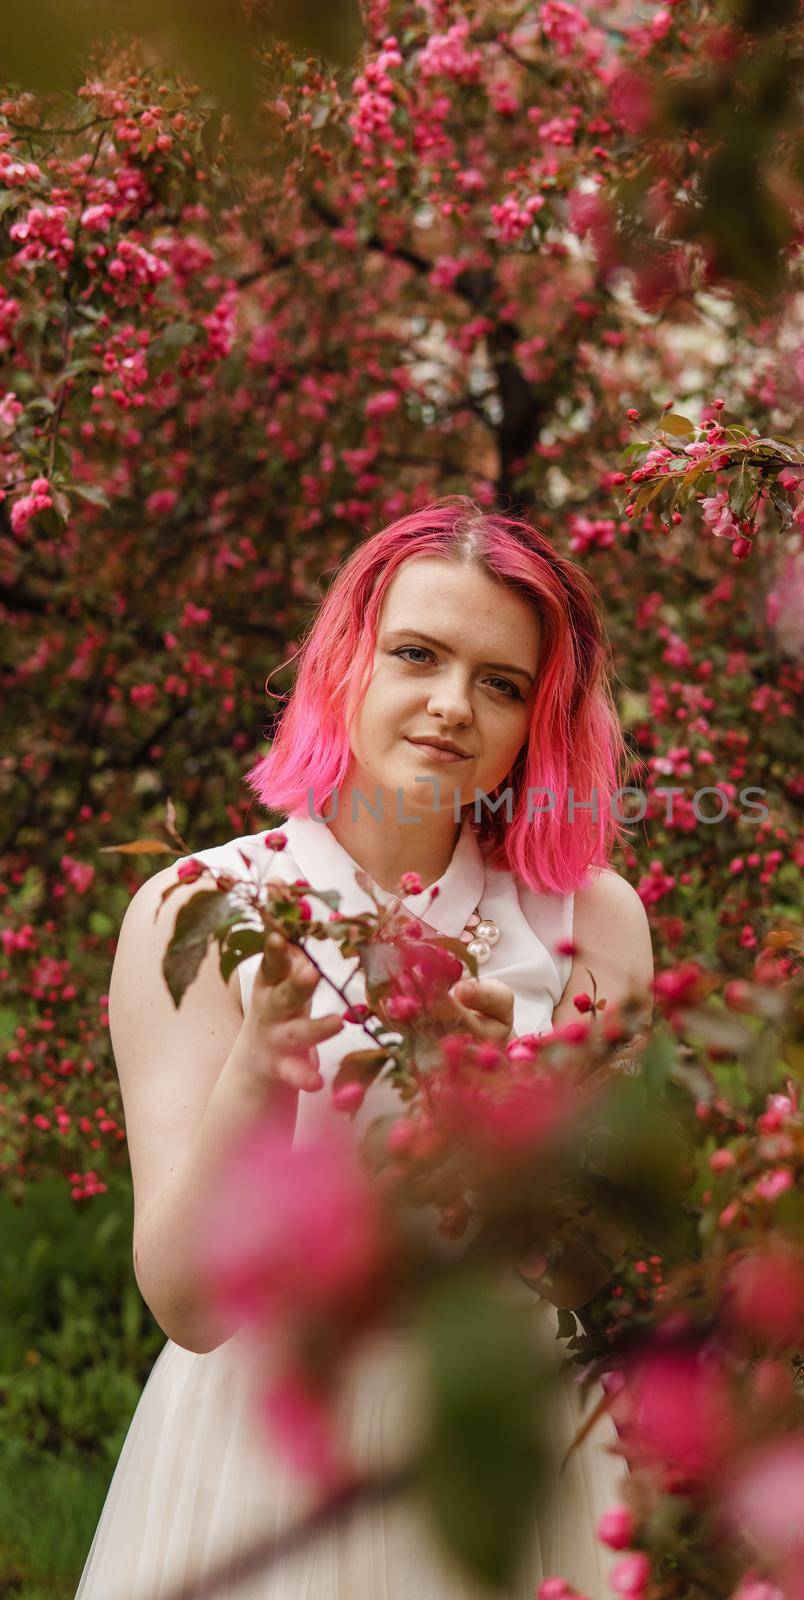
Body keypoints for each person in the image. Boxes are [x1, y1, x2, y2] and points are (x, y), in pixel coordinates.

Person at [76, 496, 655, 1599]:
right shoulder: (197, 907)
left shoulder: (587, 917)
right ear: (346, 662)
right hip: (276, 1437)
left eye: (501, 682)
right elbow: (188, 1305)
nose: (450, 706)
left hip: (509, 1428)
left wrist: (510, 1131)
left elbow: (603, 1275)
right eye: (417, 655)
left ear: (541, 717)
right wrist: (259, 1067)